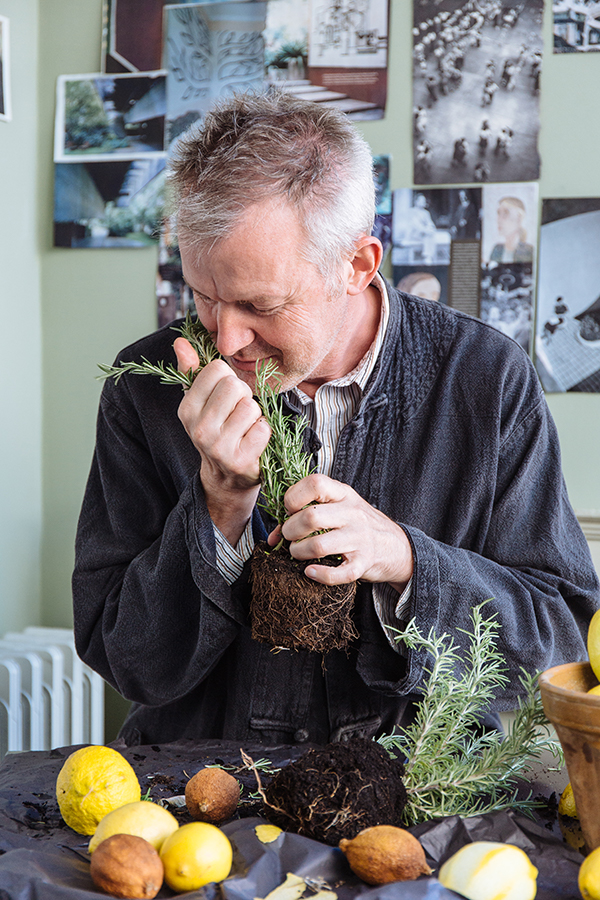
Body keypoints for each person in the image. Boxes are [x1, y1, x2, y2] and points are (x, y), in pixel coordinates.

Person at [73, 90, 599, 747]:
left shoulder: (487, 380)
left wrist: (405, 561)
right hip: (198, 802)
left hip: (419, 807)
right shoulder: (145, 389)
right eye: (202, 296)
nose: (227, 339)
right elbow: (121, 657)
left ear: (356, 266)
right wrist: (219, 509)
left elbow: (561, 643)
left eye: (258, 304)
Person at [489, 195, 534, 263]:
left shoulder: (529, 251)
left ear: (519, 218)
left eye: (505, 213)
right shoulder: (497, 249)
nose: (499, 220)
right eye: (498, 213)